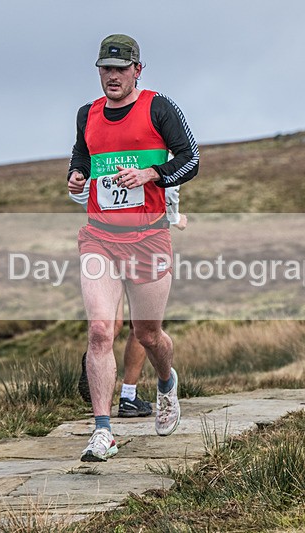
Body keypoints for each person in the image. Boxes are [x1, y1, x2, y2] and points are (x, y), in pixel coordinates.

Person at [67, 34, 199, 461]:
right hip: (99, 238)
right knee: (101, 331)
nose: (113, 76)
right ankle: (103, 430)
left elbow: (191, 159)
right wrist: (76, 175)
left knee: (147, 333)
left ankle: (165, 383)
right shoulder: (87, 114)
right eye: (106, 68)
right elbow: (82, 156)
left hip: (149, 238)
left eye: (121, 69)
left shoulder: (159, 107)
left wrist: (153, 175)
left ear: (137, 70)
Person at [70, 182, 188, 418]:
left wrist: (103, 215)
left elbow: (79, 190)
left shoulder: (98, 151)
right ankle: (128, 396)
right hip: (143, 239)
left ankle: (96, 359)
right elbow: (170, 187)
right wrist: (174, 217)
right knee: (140, 326)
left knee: (108, 326)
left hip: (104, 233)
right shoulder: (157, 148)